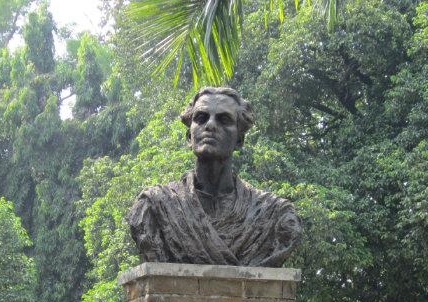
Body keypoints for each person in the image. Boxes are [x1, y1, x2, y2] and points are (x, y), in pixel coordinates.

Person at [127, 87, 302, 267]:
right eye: (201, 118)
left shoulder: (274, 215)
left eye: (223, 119)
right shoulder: (155, 207)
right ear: (189, 137)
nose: (210, 125)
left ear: (240, 140)